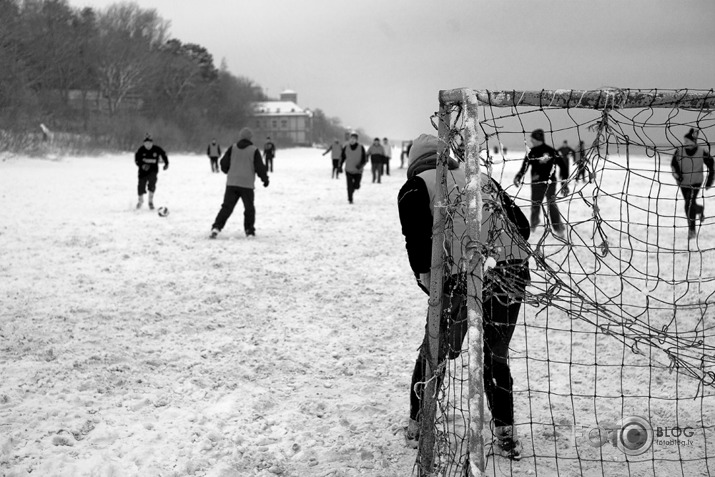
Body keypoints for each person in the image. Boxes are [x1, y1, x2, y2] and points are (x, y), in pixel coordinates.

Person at [397, 134, 531, 460]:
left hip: (460, 280)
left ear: (414, 162)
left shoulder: (416, 186)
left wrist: (432, 284)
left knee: (435, 351)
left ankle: (418, 424)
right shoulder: (482, 179)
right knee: (493, 355)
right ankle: (505, 432)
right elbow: (522, 227)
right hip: (509, 274)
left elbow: (417, 246)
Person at [210, 127, 269, 239]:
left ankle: (216, 228)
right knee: (249, 208)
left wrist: (228, 171)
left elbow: (223, 163)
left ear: (240, 137)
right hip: (246, 184)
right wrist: (265, 179)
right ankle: (249, 231)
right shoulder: (254, 150)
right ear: (250, 138)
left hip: (232, 183)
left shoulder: (233, 148)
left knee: (226, 207)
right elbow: (260, 167)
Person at [514, 129, 569, 236]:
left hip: (549, 183)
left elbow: (563, 167)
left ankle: (558, 228)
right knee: (536, 205)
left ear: (538, 139)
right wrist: (519, 176)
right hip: (537, 183)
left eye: (533, 138)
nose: (531, 140)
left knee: (551, 205)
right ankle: (534, 226)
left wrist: (564, 182)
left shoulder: (550, 151)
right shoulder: (533, 151)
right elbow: (525, 166)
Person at [671, 128, 714, 240]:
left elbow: (712, 165)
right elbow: (673, 165)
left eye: (687, 141)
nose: (685, 143)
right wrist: (678, 176)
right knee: (689, 203)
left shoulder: (701, 151)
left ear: (693, 141)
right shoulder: (679, 151)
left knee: (689, 203)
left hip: (696, 181)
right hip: (683, 182)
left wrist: (710, 180)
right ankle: (699, 209)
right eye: (684, 141)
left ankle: (692, 230)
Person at [134, 134, 169, 210]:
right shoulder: (141, 150)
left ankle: (150, 201)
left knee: (152, 184)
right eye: (146, 143)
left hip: (153, 171)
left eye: (149, 143)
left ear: (152, 143)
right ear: (144, 143)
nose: (148, 145)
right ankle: (140, 201)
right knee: (141, 186)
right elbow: (137, 160)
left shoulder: (156, 149)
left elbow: (164, 155)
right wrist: (142, 165)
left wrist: (166, 164)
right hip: (142, 172)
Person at [339, 132, 367, 204]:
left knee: (357, 186)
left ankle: (353, 189)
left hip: (358, 171)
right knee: (349, 186)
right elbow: (342, 157)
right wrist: (340, 166)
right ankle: (350, 199)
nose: (352, 140)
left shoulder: (361, 147)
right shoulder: (346, 147)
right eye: (351, 138)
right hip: (348, 170)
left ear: (356, 140)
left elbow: (365, 159)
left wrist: (360, 165)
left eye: (354, 139)